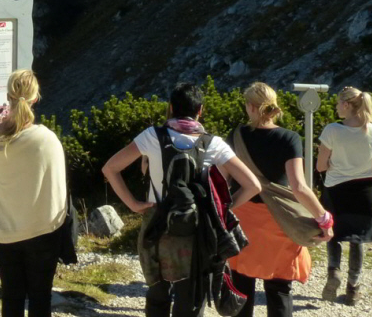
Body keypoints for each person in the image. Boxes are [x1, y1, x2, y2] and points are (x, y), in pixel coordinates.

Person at [102, 82, 261, 317]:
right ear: (201, 110)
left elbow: (110, 169)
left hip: (157, 226)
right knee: (191, 297)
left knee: (158, 293)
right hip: (197, 232)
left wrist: (134, 205)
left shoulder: (151, 136)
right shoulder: (214, 144)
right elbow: (253, 185)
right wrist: (221, 208)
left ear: (171, 107)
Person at [226, 82, 333, 317]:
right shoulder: (289, 138)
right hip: (279, 220)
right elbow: (299, 187)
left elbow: (223, 180)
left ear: (252, 107)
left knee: (241, 285)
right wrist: (324, 218)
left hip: (243, 218)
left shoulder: (236, 136)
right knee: (280, 288)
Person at [0, 69, 68, 317]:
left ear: (7, 96)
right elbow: (59, 186)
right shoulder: (46, 139)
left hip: (2, 232)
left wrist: (2, 108)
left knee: (12, 295)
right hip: (42, 229)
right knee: (40, 298)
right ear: (36, 98)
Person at [316, 86, 372, 306]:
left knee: (334, 232)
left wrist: (335, 163)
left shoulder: (332, 130)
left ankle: (334, 272)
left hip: (336, 189)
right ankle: (353, 289)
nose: (336, 106)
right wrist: (368, 162)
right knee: (358, 239)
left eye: (338, 103)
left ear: (347, 105)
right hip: (365, 190)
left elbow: (321, 166)